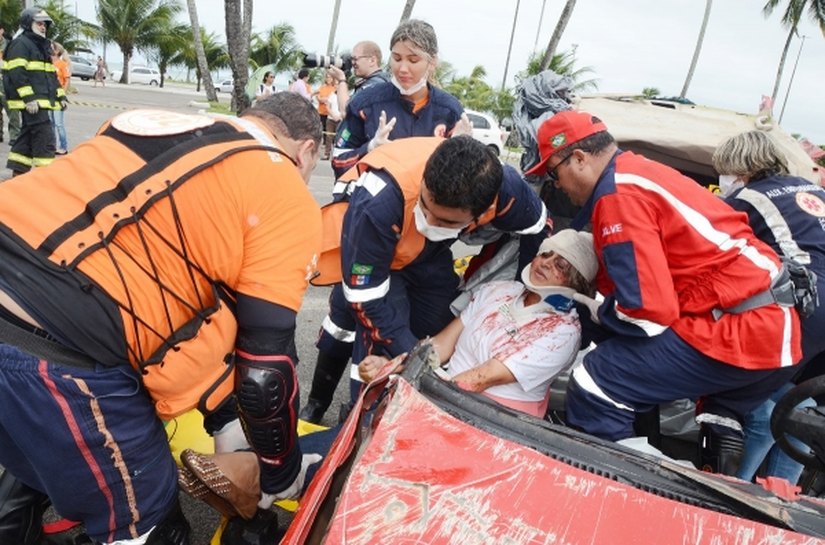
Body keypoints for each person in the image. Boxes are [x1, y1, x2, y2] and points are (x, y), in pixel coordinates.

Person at [0, 92, 323, 544]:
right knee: (148, 522)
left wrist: (222, 416)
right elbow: (265, 374)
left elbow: (141, 270)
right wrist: (281, 470)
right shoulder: (281, 184)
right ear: (307, 150)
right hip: (57, 352)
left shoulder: (140, 121)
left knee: (32, 457)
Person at [525, 110, 803, 476]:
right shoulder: (636, 174)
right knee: (627, 364)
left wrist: (594, 314)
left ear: (578, 158)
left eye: (553, 173)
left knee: (597, 380)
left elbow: (646, 310)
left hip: (746, 325)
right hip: (768, 318)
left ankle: (621, 488)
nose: (556, 184)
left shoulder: (617, 195)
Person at [300, 135, 549, 424]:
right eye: (426, 206)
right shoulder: (379, 199)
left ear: (481, 214)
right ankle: (352, 416)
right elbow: (366, 299)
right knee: (366, 336)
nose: (429, 223)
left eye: (445, 222)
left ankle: (407, 415)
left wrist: (522, 296)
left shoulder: (508, 192)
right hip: (377, 250)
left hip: (430, 257)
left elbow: (536, 231)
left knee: (438, 323)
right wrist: (412, 356)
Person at [359, 229, 597, 418]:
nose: (546, 263)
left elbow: (480, 379)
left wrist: (399, 379)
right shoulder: (499, 290)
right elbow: (440, 345)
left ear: (576, 283)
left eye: (561, 265)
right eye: (546, 254)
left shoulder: (563, 333)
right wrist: (393, 366)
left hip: (490, 423)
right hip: (441, 397)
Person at [712, 130, 825, 484]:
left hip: (808, 304)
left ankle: (732, 494)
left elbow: (712, 258)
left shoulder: (746, 199)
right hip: (816, 314)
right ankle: (780, 496)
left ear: (737, 168)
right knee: (798, 405)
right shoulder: (810, 189)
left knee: (740, 405)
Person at [330, 19, 465, 178]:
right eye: (397, 58)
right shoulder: (365, 104)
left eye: (413, 60)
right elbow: (338, 161)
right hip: (372, 201)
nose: (402, 69)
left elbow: (461, 183)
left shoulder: (449, 110)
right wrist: (369, 149)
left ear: (432, 62)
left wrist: (461, 156)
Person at [2, 7, 65, 175]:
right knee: (46, 138)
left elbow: (49, 75)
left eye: (45, 24)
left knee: (27, 138)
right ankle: (46, 177)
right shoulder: (21, 44)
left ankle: (18, 173)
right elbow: (17, 74)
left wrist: (61, 95)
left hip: (40, 102)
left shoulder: (40, 46)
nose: (43, 27)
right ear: (28, 24)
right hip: (32, 102)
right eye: (39, 23)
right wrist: (29, 98)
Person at [326, 40, 389, 115]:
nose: (352, 63)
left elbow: (345, 111)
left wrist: (341, 80)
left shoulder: (375, 85)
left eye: (355, 59)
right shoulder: (376, 81)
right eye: (351, 59)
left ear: (372, 60)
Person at [50, 41, 69, 154]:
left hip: (58, 97)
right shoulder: (48, 63)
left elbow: (67, 80)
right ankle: (52, 145)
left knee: (58, 124)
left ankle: (63, 146)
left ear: (57, 51)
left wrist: (63, 94)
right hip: (48, 97)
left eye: (52, 48)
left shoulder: (62, 64)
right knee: (50, 124)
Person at [316, 71, 336, 159]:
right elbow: (319, 98)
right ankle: (326, 151)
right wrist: (323, 99)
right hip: (322, 111)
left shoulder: (334, 89)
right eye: (327, 77)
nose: (328, 79)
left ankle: (334, 153)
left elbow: (328, 99)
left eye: (330, 77)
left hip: (331, 114)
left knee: (333, 134)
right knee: (324, 130)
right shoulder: (322, 87)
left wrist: (325, 99)